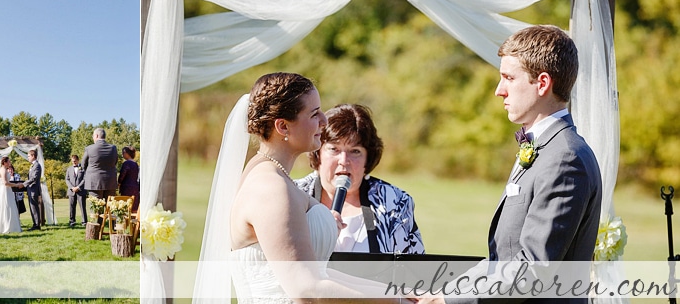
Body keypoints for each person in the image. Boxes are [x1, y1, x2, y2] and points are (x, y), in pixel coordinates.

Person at [196, 72, 412, 303]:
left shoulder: (276, 176)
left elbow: (319, 273)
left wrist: (398, 293)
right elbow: (306, 291)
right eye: (313, 114)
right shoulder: (270, 188)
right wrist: (395, 300)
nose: (324, 120)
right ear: (283, 127)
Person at [425, 25, 603, 304]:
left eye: (508, 78)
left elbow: (532, 270)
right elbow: (502, 259)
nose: (499, 91)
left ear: (542, 83)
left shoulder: (565, 159)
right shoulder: (542, 148)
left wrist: (449, 302)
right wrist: (443, 292)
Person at [295, 104, 425, 254]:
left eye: (355, 151)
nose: (344, 160)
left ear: (367, 158)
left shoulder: (394, 202)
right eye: (334, 149)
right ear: (317, 153)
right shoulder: (295, 195)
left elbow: (413, 269)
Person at [82, 128, 118, 201]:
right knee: (110, 208)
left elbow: (83, 165)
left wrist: (91, 173)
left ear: (96, 136)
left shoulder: (89, 148)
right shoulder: (113, 148)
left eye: (93, 136)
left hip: (94, 182)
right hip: (110, 182)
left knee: (96, 209)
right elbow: (115, 162)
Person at [18, 149, 43, 231]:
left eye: (28, 156)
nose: (28, 158)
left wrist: (24, 184)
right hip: (30, 190)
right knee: (32, 208)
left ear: (33, 156)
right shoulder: (32, 165)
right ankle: (35, 224)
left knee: (34, 208)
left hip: (34, 190)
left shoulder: (37, 165)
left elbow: (34, 178)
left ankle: (37, 225)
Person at [65, 154, 87, 227]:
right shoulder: (69, 169)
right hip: (71, 191)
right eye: (72, 161)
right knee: (72, 207)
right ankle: (72, 221)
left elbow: (84, 179)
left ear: (78, 160)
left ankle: (84, 221)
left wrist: (78, 187)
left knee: (82, 207)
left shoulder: (83, 168)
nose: (74, 162)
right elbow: (67, 179)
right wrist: (72, 187)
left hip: (81, 191)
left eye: (75, 161)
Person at [117, 146, 139, 212]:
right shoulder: (136, 164)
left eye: (123, 153)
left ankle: (125, 221)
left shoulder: (126, 163)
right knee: (133, 206)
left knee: (125, 206)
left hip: (126, 187)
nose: (122, 154)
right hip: (135, 187)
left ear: (127, 153)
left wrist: (119, 183)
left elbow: (122, 175)